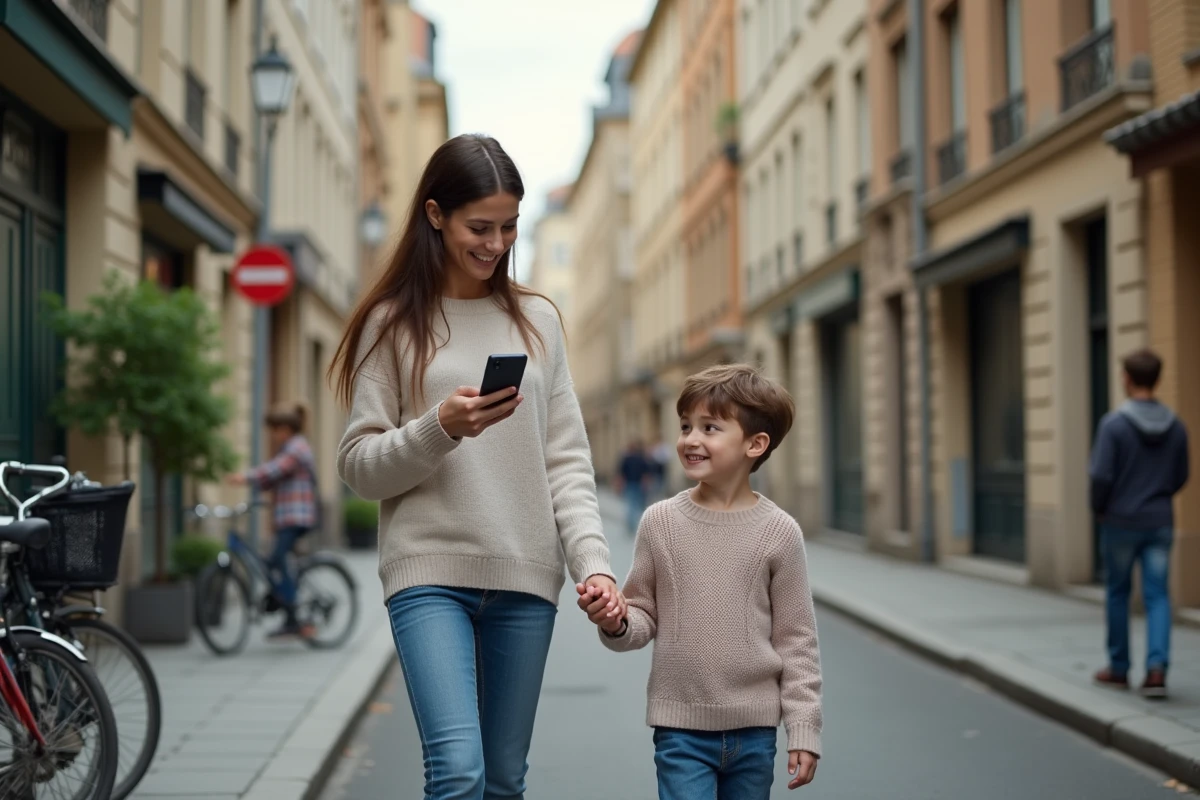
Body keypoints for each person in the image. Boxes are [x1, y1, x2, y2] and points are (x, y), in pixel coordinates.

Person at [331, 133, 623, 800]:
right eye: (479, 227)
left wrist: (596, 567)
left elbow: (568, 463)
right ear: (436, 216)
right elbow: (359, 466)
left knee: (501, 780)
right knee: (457, 771)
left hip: (525, 576)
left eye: (509, 226)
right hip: (429, 574)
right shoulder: (392, 324)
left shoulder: (538, 322)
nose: (496, 243)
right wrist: (439, 428)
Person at [579, 364, 822, 798]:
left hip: (755, 731)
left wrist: (803, 729)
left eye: (709, 428)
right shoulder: (660, 522)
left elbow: (797, 640)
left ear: (755, 444)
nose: (690, 439)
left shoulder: (780, 532)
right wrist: (614, 619)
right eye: (686, 426)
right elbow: (642, 615)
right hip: (681, 731)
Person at [1090, 348, 1189, 699]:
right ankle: (1156, 671)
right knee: (1158, 595)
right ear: (1157, 380)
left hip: (1120, 520)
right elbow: (1181, 475)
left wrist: (1100, 509)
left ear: (1127, 379)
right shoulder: (1176, 427)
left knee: (1118, 592)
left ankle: (1118, 669)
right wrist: (1158, 496)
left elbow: (1100, 475)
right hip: (1159, 520)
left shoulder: (1114, 425)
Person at [228, 402, 319, 639]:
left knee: (277, 558)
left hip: (297, 516)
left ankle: (291, 610)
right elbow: (272, 479)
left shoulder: (296, 447)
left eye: (275, 429)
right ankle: (289, 615)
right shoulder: (290, 447)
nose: (273, 435)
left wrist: (244, 477)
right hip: (287, 516)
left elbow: (274, 470)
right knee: (275, 561)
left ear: (286, 429)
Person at [614, 439, 653, 535]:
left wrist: (619, 484)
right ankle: (635, 524)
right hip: (638, 484)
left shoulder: (626, 459)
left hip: (629, 484)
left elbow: (621, 474)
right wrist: (646, 484)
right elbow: (646, 473)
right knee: (637, 504)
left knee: (631, 505)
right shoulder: (641, 458)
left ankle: (631, 525)